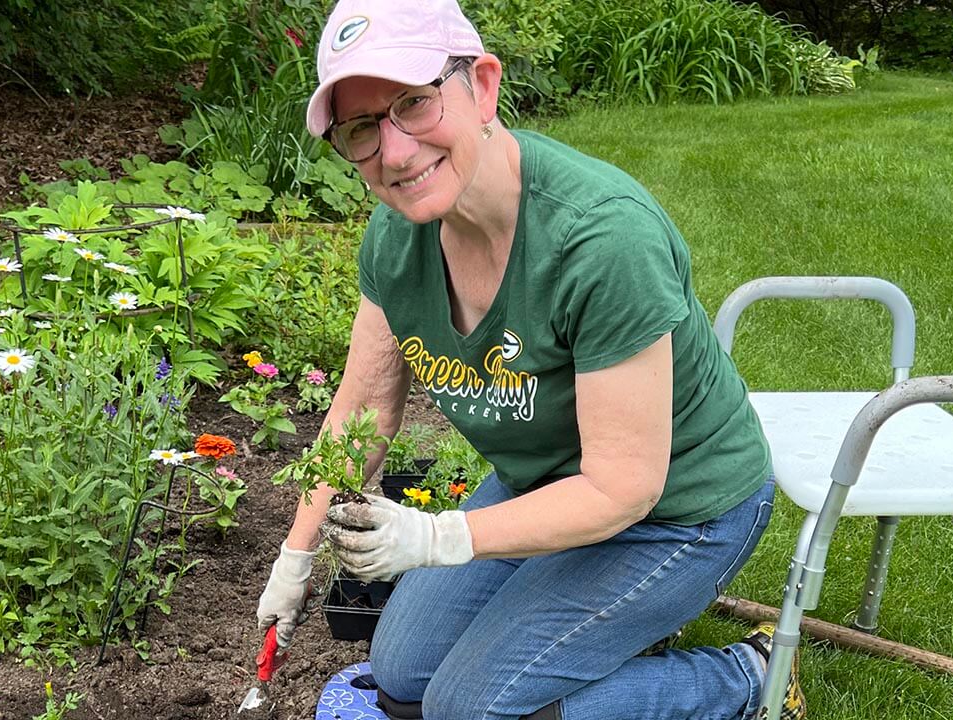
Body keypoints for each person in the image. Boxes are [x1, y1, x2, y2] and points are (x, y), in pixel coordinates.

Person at [255, 1, 805, 718]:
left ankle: (746, 678)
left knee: (473, 711)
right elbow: (361, 412)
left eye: (415, 104)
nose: (393, 152)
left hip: (678, 509)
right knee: (400, 675)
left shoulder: (602, 241)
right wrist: (296, 558)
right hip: (548, 481)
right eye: (361, 128)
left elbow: (622, 490)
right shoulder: (397, 240)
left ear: (482, 87)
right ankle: (598, 633)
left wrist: (437, 536)